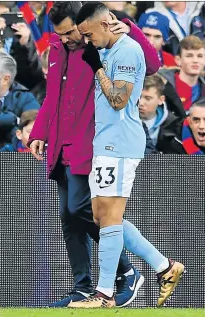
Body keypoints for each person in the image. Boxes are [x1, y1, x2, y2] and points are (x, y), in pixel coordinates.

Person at [27, 1, 161, 308]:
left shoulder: (105, 45)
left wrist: (131, 28)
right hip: (61, 143)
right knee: (69, 217)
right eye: (59, 35)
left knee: (83, 210)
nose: (66, 40)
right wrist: (40, 132)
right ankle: (83, 287)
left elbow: (150, 65)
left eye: (70, 32)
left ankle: (127, 272)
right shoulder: (60, 50)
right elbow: (53, 97)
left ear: (84, 24)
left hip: (93, 142)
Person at [68, 2, 185, 308]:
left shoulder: (127, 50)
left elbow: (119, 100)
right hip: (106, 143)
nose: (88, 42)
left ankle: (105, 294)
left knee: (108, 218)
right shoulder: (109, 48)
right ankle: (164, 266)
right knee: (103, 216)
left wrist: (97, 68)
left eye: (89, 34)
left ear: (106, 25)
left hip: (119, 144)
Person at [0, 51, 40, 150]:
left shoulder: (26, 99)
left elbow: (34, 131)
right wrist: (13, 120)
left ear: (5, 79)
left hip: (12, 157)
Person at [158, 35, 205, 118]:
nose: (195, 60)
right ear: (178, 60)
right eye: (189, 56)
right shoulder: (161, 85)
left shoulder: (203, 89)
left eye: (200, 56)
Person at [139, 74, 177, 149]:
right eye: (138, 96)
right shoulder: (122, 119)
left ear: (161, 100)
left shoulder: (173, 125)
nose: (140, 103)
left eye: (148, 98)